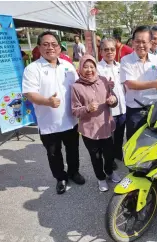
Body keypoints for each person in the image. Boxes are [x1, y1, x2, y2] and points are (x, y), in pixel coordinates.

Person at [22, 31, 85, 195]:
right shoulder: (32, 69)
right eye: (46, 44)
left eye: (54, 44)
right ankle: (60, 178)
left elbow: (79, 87)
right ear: (39, 47)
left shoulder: (68, 65)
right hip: (48, 123)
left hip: (70, 120)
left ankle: (74, 172)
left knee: (73, 150)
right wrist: (47, 102)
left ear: (59, 47)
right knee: (53, 153)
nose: (50, 47)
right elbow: (29, 93)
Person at [71, 54, 121, 192]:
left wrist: (113, 100)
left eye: (92, 66)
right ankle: (101, 178)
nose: (89, 70)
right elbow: (75, 110)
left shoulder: (104, 80)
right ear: (80, 69)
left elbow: (113, 98)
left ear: (95, 67)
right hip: (89, 130)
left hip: (105, 126)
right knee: (96, 156)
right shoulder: (76, 86)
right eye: (85, 67)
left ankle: (110, 172)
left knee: (109, 154)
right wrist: (86, 108)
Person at [120, 25, 157, 140]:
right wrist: (153, 84)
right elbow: (130, 84)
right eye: (137, 41)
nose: (141, 45)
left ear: (150, 43)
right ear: (132, 42)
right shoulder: (126, 60)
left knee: (153, 146)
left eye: (144, 42)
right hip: (135, 113)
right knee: (134, 148)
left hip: (154, 111)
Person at [97, 37, 126, 166]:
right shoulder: (97, 69)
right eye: (106, 50)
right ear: (101, 52)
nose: (110, 52)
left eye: (112, 49)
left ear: (116, 51)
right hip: (108, 110)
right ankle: (110, 159)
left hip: (122, 108)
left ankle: (118, 154)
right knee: (109, 138)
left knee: (120, 135)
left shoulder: (120, 66)